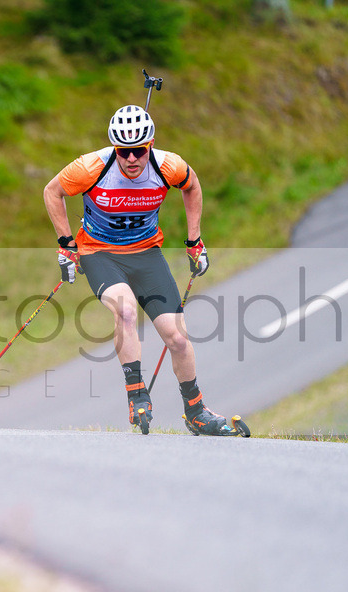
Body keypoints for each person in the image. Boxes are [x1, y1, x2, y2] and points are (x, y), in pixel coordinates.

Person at [43, 104, 239, 436]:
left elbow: (192, 186)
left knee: (177, 338)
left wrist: (195, 240)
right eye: (124, 152)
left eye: (139, 151)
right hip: (99, 252)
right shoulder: (92, 166)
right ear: (115, 148)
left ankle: (196, 412)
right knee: (126, 309)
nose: (132, 159)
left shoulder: (167, 166)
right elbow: (53, 191)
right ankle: (137, 396)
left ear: (149, 145)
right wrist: (66, 243)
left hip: (147, 254)